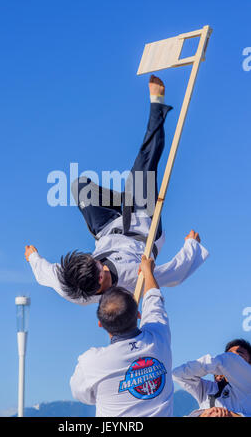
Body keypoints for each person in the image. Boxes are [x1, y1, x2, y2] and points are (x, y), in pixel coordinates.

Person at [25, 76, 209, 305]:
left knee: (79, 187)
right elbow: (175, 273)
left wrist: (33, 257)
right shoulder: (132, 278)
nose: (98, 261)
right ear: (100, 280)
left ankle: (126, 197)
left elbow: (47, 274)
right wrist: (192, 245)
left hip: (107, 229)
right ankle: (157, 106)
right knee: (144, 164)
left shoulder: (69, 284)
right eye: (98, 267)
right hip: (142, 227)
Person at [70, 255, 174, 417]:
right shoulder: (159, 336)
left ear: (101, 324)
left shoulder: (91, 363)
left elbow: (81, 394)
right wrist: (147, 272)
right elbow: (154, 300)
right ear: (138, 315)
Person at [172, 339, 251, 417]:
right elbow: (178, 374)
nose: (234, 356)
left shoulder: (248, 385)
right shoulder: (209, 388)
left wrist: (230, 415)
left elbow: (230, 360)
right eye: (229, 353)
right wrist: (202, 415)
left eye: (239, 355)